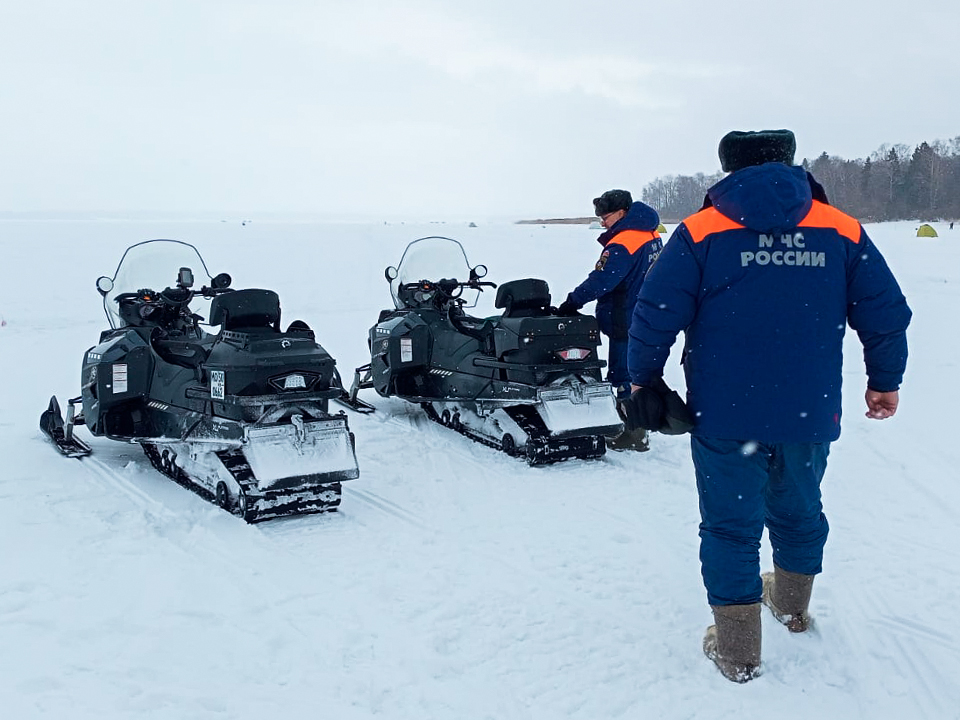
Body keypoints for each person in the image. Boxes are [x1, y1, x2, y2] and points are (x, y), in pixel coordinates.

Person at [625, 129, 912, 682]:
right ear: (790, 161)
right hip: (809, 409)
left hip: (726, 412)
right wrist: (884, 380)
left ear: (728, 170)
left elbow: (654, 312)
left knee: (730, 525)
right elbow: (885, 313)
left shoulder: (701, 230)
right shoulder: (840, 227)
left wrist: (644, 380)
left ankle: (737, 651)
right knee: (799, 508)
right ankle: (792, 606)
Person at [557, 189, 663, 451]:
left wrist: (573, 301)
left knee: (623, 373)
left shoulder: (624, 242)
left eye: (606, 217)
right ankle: (640, 424)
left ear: (622, 213)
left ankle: (631, 433)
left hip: (625, 316)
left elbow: (602, 280)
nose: (603, 223)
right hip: (648, 313)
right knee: (638, 371)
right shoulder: (651, 234)